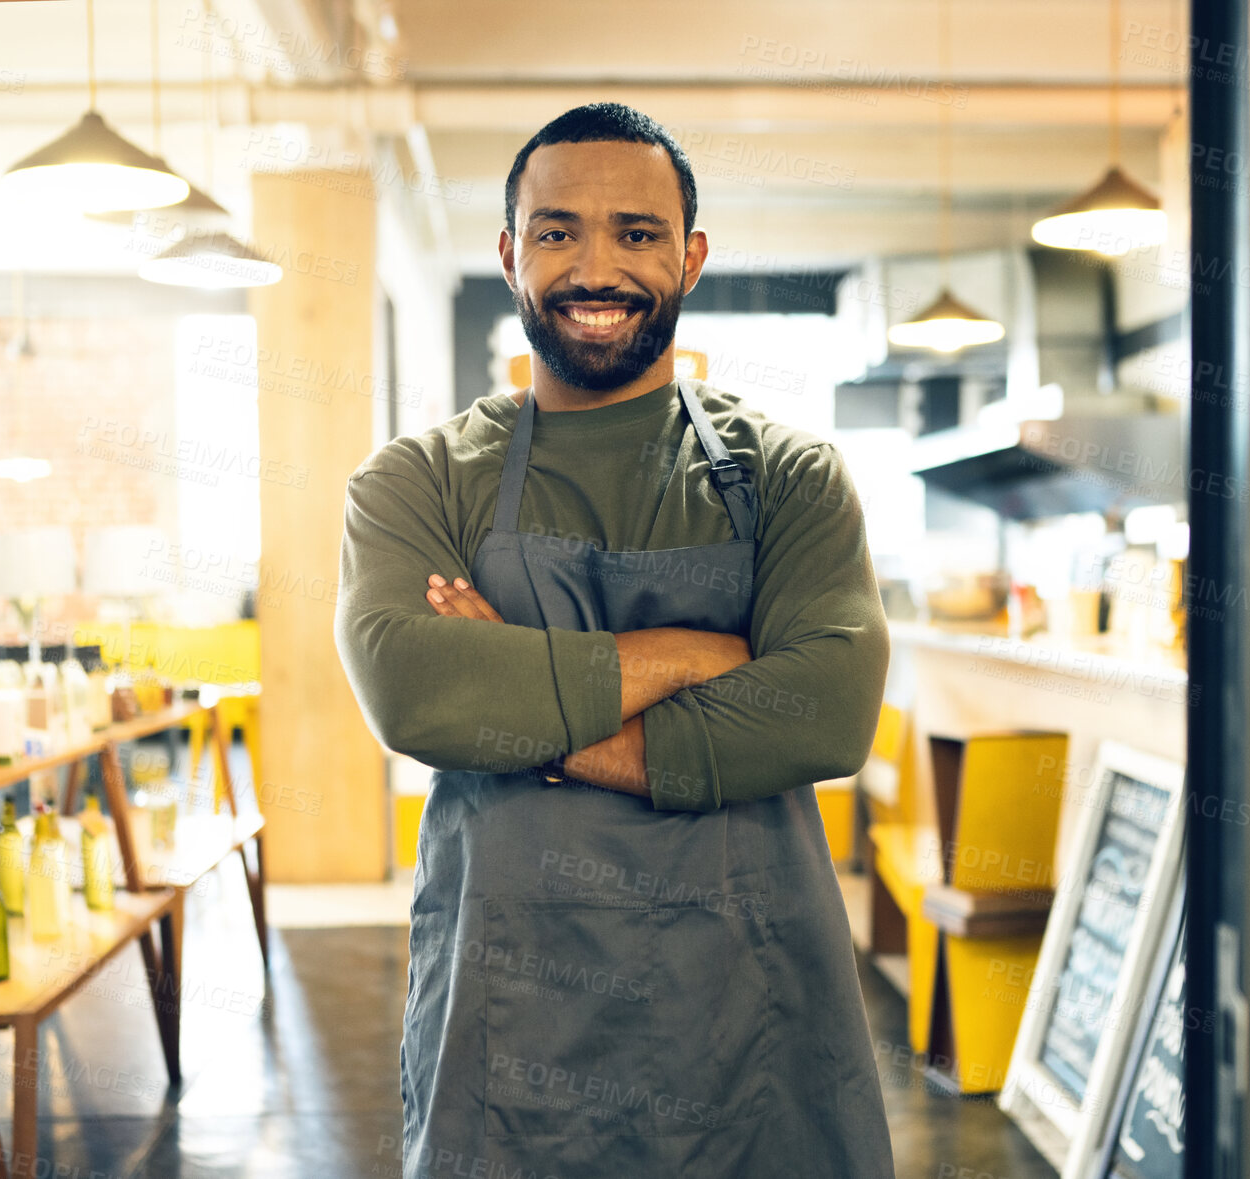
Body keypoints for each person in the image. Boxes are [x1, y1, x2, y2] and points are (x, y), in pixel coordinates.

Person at [335, 102, 894, 1179]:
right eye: (558, 232)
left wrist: (527, 710)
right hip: (514, 1014)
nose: (597, 267)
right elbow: (415, 694)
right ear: (509, 255)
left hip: (749, 1003)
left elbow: (825, 708)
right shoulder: (418, 481)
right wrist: (692, 656)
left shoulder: (788, 476)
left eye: (637, 234)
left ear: (690, 256)